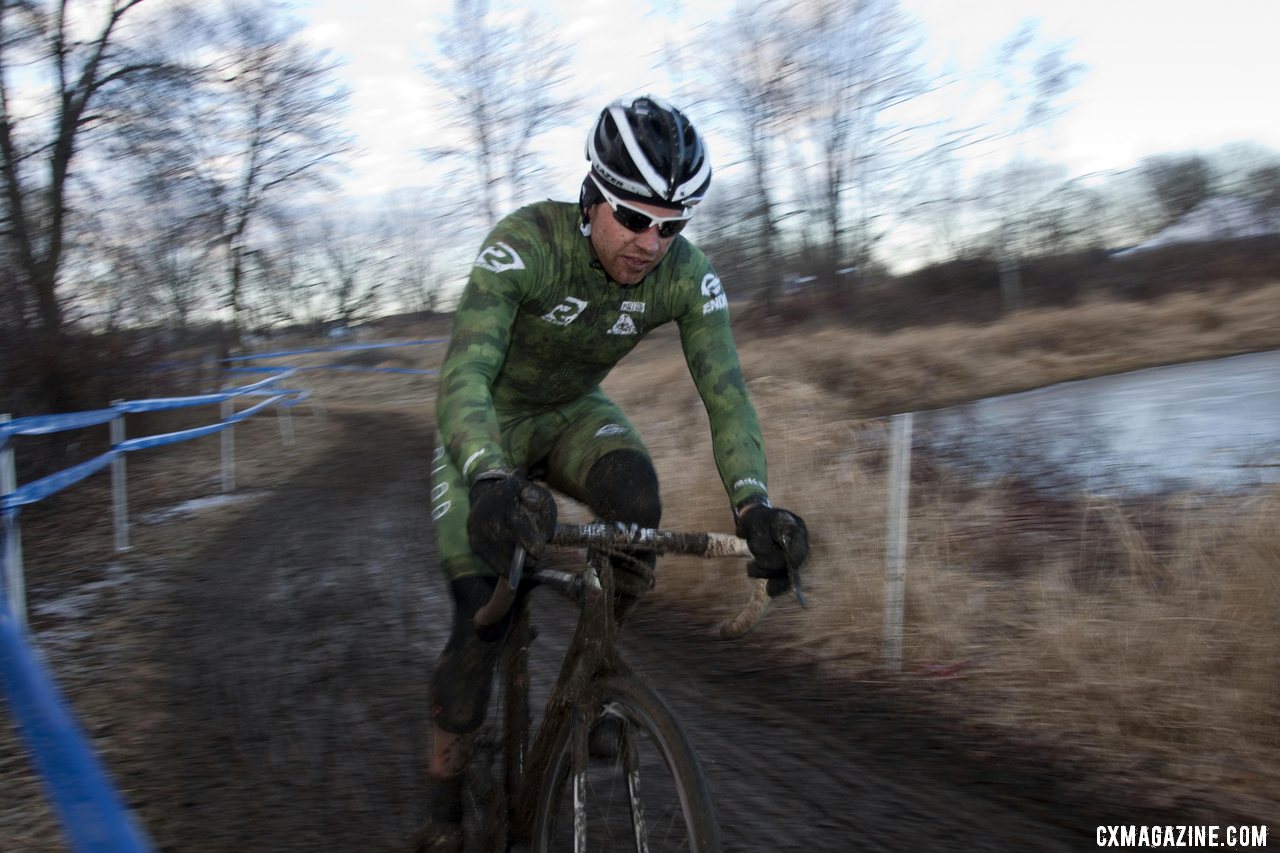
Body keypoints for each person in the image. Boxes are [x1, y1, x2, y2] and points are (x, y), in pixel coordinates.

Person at [416, 94, 809, 852]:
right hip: (488, 422)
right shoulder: (525, 242)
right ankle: (442, 807)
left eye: (672, 225)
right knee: (477, 623)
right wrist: (489, 475)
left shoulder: (685, 276)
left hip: (570, 414)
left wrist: (755, 504)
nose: (651, 243)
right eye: (634, 218)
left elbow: (727, 393)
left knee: (638, 505)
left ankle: (591, 676)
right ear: (593, 196)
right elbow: (463, 374)